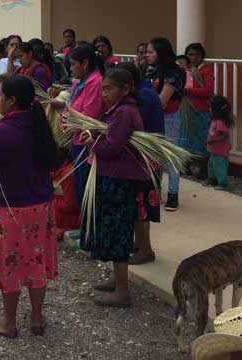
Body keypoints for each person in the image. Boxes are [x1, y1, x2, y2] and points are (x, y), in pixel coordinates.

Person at [0, 75, 59, 338]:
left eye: (0, 95)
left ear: (12, 100)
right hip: (41, 206)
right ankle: (38, 318)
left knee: (11, 264)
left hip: (10, 211)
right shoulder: (39, 124)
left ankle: (8, 322)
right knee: (35, 261)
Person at [80, 68, 148, 307]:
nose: (104, 93)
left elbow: (111, 147)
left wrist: (91, 142)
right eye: (103, 88)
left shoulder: (123, 113)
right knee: (114, 229)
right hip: (116, 176)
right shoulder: (121, 110)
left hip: (119, 178)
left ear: (126, 89)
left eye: (109, 89)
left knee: (118, 231)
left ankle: (122, 291)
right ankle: (117, 279)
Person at [50, 45, 106, 238]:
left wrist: (72, 124)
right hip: (75, 140)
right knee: (79, 185)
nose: (71, 68)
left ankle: (91, 232)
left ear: (85, 63)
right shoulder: (78, 82)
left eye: (73, 64)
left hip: (87, 141)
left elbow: (90, 115)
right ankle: (84, 227)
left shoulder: (96, 83)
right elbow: (70, 106)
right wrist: (64, 119)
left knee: (87, 188)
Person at [120, 62, 164, 266]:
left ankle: (146, 249)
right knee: (141, 203)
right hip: (147, 157)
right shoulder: (146, 92)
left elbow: (137, 127)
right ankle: (140, 244)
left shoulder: (143, 97)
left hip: (145, 159)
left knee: (141, 205)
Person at [145, 37, 186, 211]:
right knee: (155, 157)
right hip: (153, 117)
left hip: (168, 117)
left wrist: (142, 104)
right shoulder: (150, 70)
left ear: (160, 53)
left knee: (170, 157)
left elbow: (162, 100)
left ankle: (173, 194)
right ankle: (155, 191)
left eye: (150, 52)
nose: (147, 55)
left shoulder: (174, 72)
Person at [181, 43, 216, 159]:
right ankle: (187, 164)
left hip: (201, 111)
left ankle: (200, 167)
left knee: (201, 140)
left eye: (197, 55)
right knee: (187, 138)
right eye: (191, 54)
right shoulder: (185, 69)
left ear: (202, 56)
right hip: (186, 110)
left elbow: (208, 91)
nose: (194, 57)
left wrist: (189, 91)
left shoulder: (206, 70)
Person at [205, 95, 234, 190]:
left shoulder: (220, 123)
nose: (209, 109)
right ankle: (212, 179)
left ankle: (222, 182)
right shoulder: (215, 120)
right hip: (214, 150)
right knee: (212, 164)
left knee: (219, 166)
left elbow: (225, 135)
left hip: (220, 150)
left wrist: (213, 140)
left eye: (210, 107)